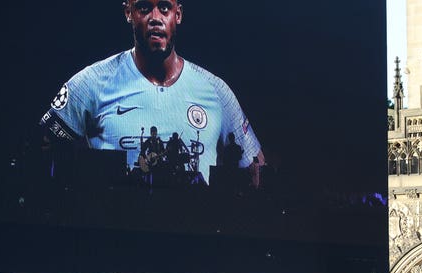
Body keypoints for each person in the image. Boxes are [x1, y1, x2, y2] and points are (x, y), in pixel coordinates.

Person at [40, 0, 264, 187]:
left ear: (178, 14)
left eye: (164, 8)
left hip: (193, 231)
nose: (156, 17)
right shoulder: (92, 82)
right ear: (129, 12)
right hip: (114, 233)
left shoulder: (216, 91)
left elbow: (256, 170)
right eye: (145, 8)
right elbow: (41, 152)